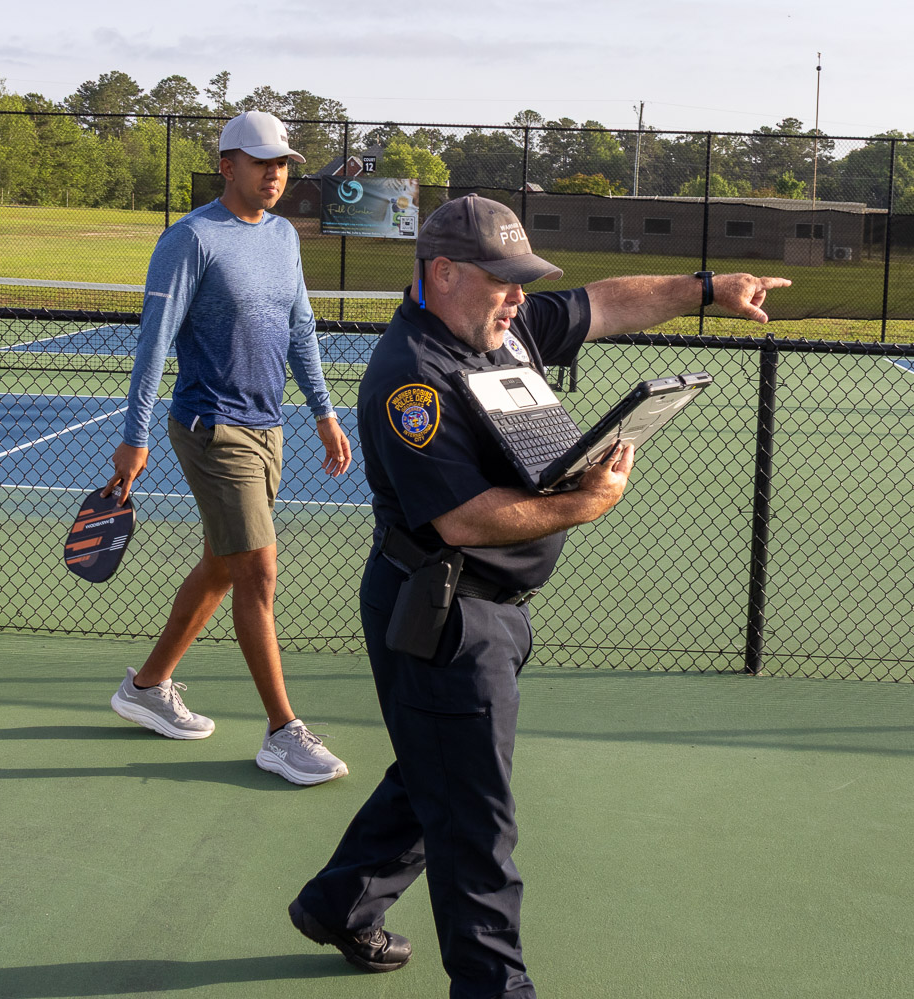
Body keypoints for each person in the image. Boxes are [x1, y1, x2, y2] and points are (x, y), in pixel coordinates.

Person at [286, 194, 791, 994]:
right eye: (503, 280)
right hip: (444, 610)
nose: (519, 297)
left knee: (440, 770)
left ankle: (337, 903)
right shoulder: (411, 376)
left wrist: (704, 288)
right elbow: (461, 519)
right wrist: (585, 504)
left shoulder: (499, 325)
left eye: (523, 281)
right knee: (475, 820)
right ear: (443, 273)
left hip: (491, 608)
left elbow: (605, 304)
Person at [104, 111, 352, 787]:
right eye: (261, 162)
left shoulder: (283, 236)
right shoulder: (190, 238)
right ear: (227, 165)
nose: (275, 174)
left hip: (268, 426)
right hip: (211, 427)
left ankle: (147, 687)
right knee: (257, 572)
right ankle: (282, 732)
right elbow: (154, 341)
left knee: (223, 563)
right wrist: (134, 436)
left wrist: (324, 412)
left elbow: (300, 327)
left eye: (283, 164)